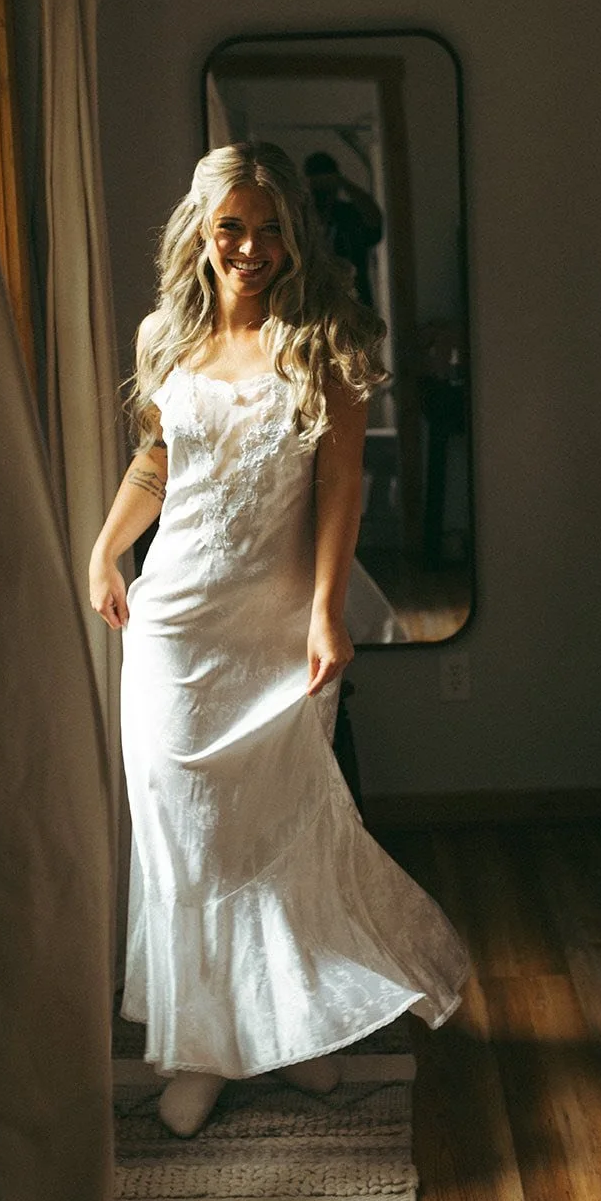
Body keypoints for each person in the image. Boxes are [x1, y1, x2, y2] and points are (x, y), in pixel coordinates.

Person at [89, 142, 468, 1137]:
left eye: (268, 230)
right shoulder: (166, 337)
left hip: (275, 627)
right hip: (174, 629)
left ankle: (289, 1032)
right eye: (231, 229)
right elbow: (156, 460)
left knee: (274, 827)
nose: (251, 249)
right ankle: (204, 1049)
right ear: (201, 233)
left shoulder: (325, 341)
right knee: (187, 837)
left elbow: (341, 487)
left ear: (293, 234)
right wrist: (104, 549)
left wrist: (328, 608)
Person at [304, 150, 383, 311]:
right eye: (318, 188)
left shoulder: (348, 215)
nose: (323, 194)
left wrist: (343, 183)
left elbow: (374, 221)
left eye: (327, 187)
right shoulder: (301, 218)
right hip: (312, 304)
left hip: (354, 302)